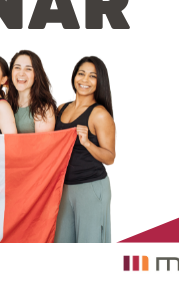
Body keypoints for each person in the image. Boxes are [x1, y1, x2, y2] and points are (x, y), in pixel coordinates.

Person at [54, 56, 116, 243]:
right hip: (63, 188)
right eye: (81, 74)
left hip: (90, 187)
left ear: (99, 82)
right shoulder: (61, 108)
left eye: (92, 76)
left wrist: (87, 143)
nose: (85, 80)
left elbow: (110, 157)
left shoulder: (99, 114)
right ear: (74, 76)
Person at [7, 50, 57, 134]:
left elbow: (43, 142)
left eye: (28, 69)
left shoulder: (43, 109)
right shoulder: (6, 103)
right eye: (17, 67)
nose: (21, 73)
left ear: (36, 75)